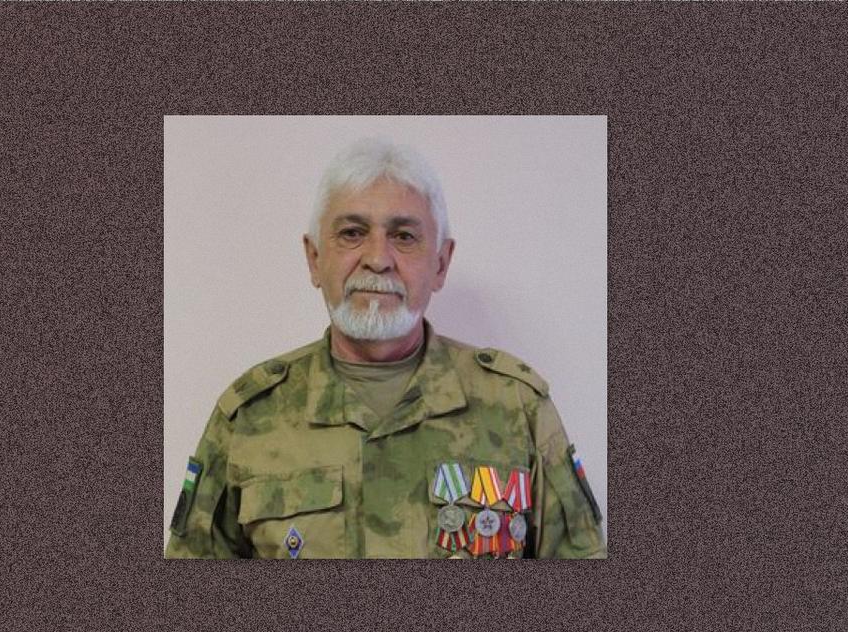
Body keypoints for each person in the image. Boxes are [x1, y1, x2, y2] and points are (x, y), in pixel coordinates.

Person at [165, 138, 605, 559]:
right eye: (352, 233)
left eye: (404, 236)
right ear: (314, 259)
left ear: (441, 263)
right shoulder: (248, 417)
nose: (378, 259)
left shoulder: (516, 407)